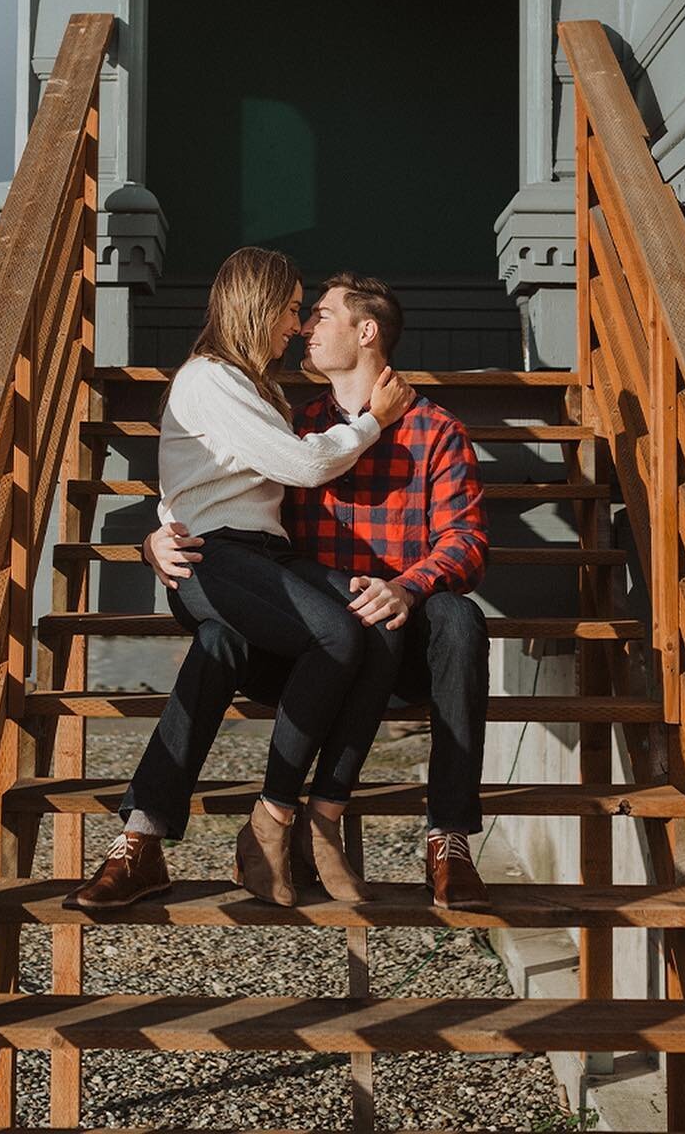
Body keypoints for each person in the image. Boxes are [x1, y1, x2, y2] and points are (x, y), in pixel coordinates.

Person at [64, 246, 414, 913]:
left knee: (370, 616)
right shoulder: (208, 378)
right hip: (213, 557)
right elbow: (303, 466)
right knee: (338, 633)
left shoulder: (258, 387)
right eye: (289, 310)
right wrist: (373, 422)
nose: (296, 326)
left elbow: (193, 475)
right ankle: (273, 815)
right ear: (258, 306)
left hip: (263, 557)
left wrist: (154, 530)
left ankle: (143, 843)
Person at [144, 273, 494, 909]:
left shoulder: (434, 430)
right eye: (301, 314)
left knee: (459, 619)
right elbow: (214, 487)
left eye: (320, 316)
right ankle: (156, 840)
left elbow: (466, 542)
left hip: (397, 638)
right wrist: (158, 536)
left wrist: (408, 589)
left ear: (365, 332)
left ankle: (448, 840)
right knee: (269, 630)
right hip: (306, 641)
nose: (304, 327)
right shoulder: (294, 426)